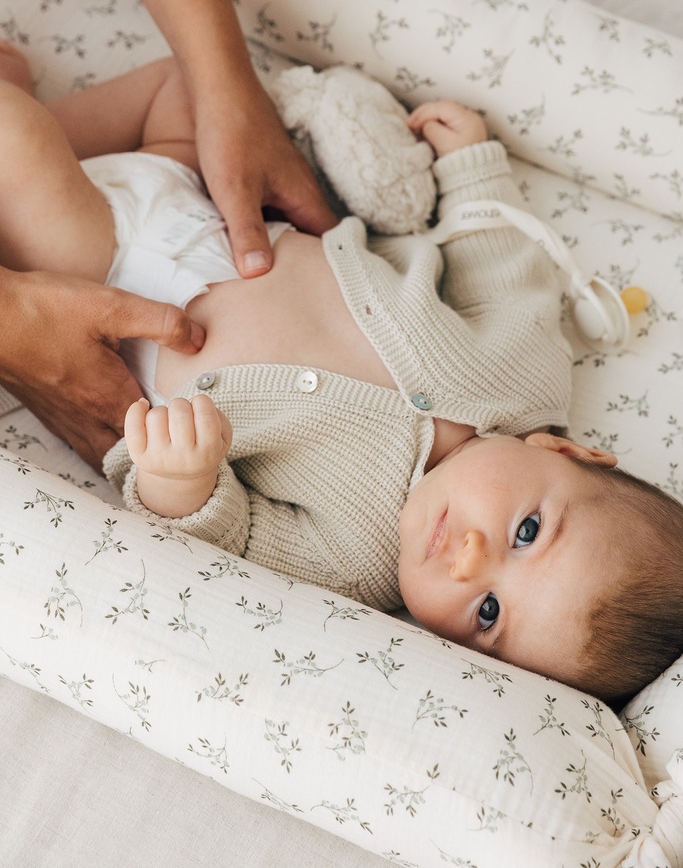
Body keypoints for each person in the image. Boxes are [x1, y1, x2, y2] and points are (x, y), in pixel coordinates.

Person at [0, 43, 680, 706]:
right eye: (525, 533)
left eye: (487, 613)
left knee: (15, 141)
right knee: (186, 83)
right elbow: (500, 265)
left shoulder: (352, 562)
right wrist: (472, 166)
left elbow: (234, 539)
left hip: (100, 280)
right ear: (564, 451)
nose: (468, 561)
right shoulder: (524, 378)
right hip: (213, 201)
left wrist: (182, 480)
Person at [0, 0, 336, 469]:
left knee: (186, 91)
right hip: (93, 267)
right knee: (15, 137)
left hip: (168, 190)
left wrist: (222, 83)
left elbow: (185, 87)